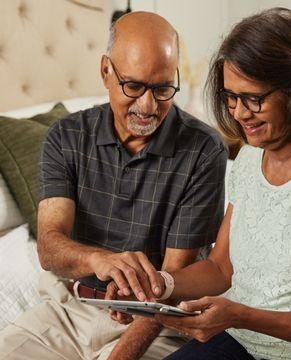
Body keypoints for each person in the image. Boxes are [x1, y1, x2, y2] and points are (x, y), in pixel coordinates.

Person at [112, 7, 291, 360]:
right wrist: (158, 287)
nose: (238, 113)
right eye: (231, 97)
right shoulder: (250, 157)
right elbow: (221, 267)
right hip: (239, 342)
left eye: (254, 98)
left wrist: (240, 315)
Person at [0, 11, 227, 360]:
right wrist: (98, 259)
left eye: (163, 88)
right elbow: (49, 247)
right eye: (134, 86)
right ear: (106, 70)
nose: (148, 106)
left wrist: (122, 355)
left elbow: (174, 278)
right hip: (66, 309)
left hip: (156, 319)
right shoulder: (64, 137)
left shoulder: (203, 150)